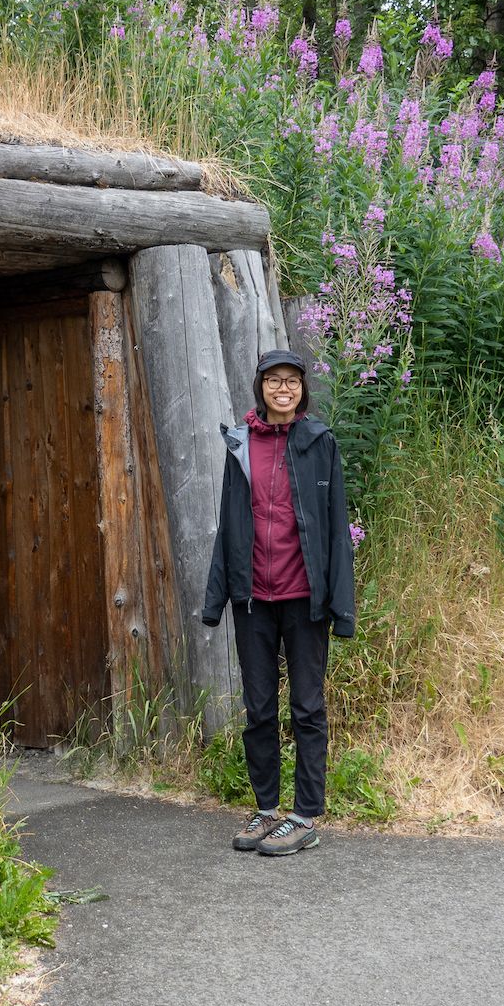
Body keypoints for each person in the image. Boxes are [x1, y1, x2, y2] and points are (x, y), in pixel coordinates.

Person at [202, 350, 356, 857]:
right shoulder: (240, 446)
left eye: (291, 381)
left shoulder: (318, 442)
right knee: (259, 709)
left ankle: (306, 815)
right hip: (253, 601)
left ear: (302, 390)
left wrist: (341, 606)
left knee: (307, 708)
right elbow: (229, 523)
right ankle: (267, 809)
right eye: (274, 381)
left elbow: (335, 528)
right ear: (261, 387)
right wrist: (217, 597)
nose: (283, 389)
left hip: (304, 598)